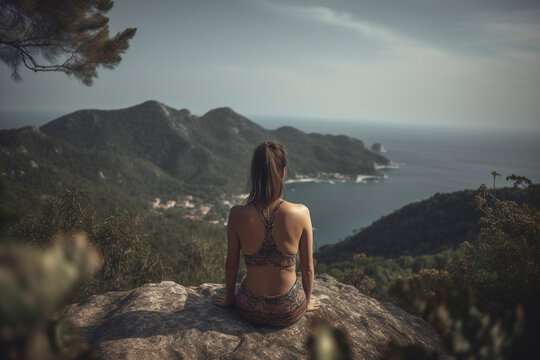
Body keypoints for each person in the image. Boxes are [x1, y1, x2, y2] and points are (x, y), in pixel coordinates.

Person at [213, 141, 321, 326]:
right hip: (290, 310)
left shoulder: (237, 213)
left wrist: (229, 298)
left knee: (245, 279)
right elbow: (308, 268)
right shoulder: (301, 213)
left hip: (250, 309)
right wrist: (307, 302)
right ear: (283, 172)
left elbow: (231, 264)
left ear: (254, 174)